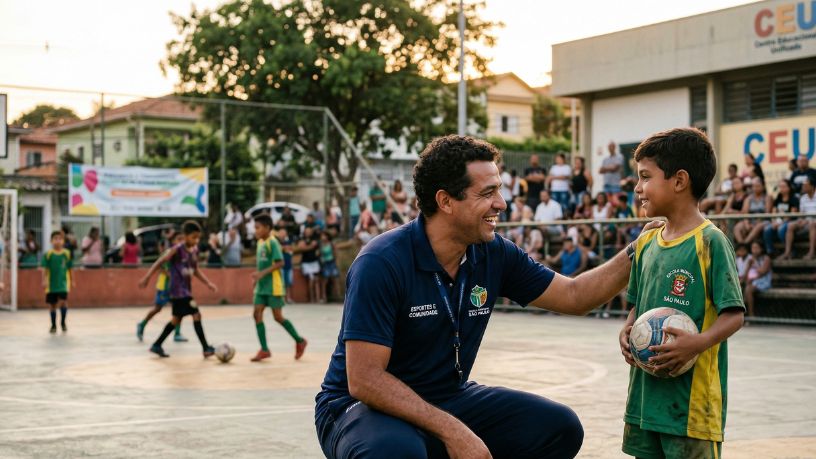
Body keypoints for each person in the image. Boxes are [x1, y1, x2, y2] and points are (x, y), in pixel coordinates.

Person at [315, 135, 656, 459]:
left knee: (558, 427)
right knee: (395, 452)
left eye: (500, 190)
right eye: (488, 193)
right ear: (445, 201)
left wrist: (638, 250)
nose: (501, 204)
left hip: (445, 396)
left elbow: (574, 295)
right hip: (360, 406)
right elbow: (364, 380)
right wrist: (454, 431)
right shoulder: (382, 262)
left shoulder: (493, 253)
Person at [618, 127, 744, 459]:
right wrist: (629, 329)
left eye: (645, 177)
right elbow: (637, 304)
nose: (638, 187)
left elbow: (734, 315)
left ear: (679, 181)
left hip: (691, 410)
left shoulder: (710, 241)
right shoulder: (646, 242)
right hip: (645, 402)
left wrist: (698, 343)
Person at [138, 220, 218, 358]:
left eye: (198, 237)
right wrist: (147, 277)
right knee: (196, 314)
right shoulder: (177, 249)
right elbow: (160, 261)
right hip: (178, 292)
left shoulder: (194, 251)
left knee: (176, 320)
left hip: (185, 290)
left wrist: (208, 283)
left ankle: (157, 345)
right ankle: (205, 348)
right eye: (193, 237)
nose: (196, 240)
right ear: (185, 235)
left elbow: (196, 270)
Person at [250, 214, 308, 362]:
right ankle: (264, 349)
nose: (255, 230)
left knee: (278, 317)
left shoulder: (273, 243)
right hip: (261, 287)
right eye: (255, 227)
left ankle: (300, 340)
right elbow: (261, 264)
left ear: (268, 228)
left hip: (274, 286)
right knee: (257, 314)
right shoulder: (260, 243)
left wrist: (261, 274)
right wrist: (257, 279)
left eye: (258, 227)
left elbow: (280, 263)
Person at [136, 231, 187, 343]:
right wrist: (147, 278)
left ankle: (177, 333)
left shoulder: (183, 253)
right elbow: (160, 267)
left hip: (176, 287)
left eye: (183, 239)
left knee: (180, 309)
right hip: (165, 286)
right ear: (173, 241)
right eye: (179, 239)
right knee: (157, 308)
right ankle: (142, 324)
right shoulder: (169, 253)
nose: (182, 241)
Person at [41, 230, 73, 333]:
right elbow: (44, 269)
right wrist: (44, 280)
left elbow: (70, 268)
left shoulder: (67, 253)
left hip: (63, 283)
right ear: (51, 241)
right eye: (55, 239)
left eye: (60, 239)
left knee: (63, 302)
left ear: (63, 241)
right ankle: (53, 325)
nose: (57, 241)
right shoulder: (48, 254)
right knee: (52, 305)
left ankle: (63, 322)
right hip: (51, 284)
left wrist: (73, 280)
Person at [782, 175, 816, 260]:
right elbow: (802, 215)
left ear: (812, 186)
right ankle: (787, 252)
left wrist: (808, 220)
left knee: (812, 223)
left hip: (813, 223)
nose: (803, 187)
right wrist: (801, 221)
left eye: (806, 186)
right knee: (790, 225)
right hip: (807, 222)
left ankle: (811, 252)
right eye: (803, 185)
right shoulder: (803, 198)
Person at [762, 179, 798, 256]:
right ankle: (771, 251)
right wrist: (774, 221)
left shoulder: (793, 199)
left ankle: (791, 250)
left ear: (789, 187)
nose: (781, 188)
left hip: (788, 221)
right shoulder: (778, 198)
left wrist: (781, 222)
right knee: (767, 229)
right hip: (778, 221)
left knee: (781, 229)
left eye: (783, 186)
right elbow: (774, 212)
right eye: (780, 187)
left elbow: (792, 214)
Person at [733, 177, 772, 245]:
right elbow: (745, 213)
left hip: (763, 221)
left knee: (758, 226)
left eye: (758, 186)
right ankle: (740, 243)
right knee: (737, 227)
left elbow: (767, 213)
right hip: (750, 220)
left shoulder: (767, 197)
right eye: (754, 186)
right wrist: (747, 224)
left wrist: (757, 222)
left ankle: (745, 244)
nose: (755, 188)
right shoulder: (749, 198)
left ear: (763, 187)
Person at [741, 240, 771, 318]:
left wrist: (755, 263)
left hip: (763, 281)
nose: (754, 250)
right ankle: (743, 314)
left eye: (756, 248)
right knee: (743, 287)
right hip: (752, 281)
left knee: (748, 289)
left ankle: (751, 314)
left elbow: (763, 272)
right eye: (753, 248)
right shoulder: (750, 259)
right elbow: (745, 275)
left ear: (761, 249)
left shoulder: (766, 258)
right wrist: (748, 265)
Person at [297, 226, 321, 303]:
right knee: (311, 280)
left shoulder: (315, 239)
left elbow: (318, 249)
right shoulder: (301, 240)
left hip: (314, 262)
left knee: (316, 280)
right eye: (306, 231)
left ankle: (318, 298)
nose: (308, 232)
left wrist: (307, 247)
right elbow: (301, 248)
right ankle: (312, 298)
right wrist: (310, 247)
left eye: (309, 231)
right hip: (306, 262)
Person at [319, 232, 341, 303]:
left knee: (335, 279)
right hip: (325, 263)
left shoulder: (331, 244)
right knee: (325, 280)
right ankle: (324, 297)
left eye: (324, 236)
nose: (322, 237)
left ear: (327, 236)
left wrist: (337, 263)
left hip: (332, 262)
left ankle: (338, 296)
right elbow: (321, 254)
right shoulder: (321, 245)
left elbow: (336, 253)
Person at [277, 227, 295, 303]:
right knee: (282, 283)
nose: (282, 235)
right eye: (281, 233)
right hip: (281, 266)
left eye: (283, 233)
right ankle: (282, 298)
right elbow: (281, 249)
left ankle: (288, 298)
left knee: (288, 283)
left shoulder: (289, 241)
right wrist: (284, 248)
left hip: (288, 265)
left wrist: (285, 248)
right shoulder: (276, 242)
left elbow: (291, 249)